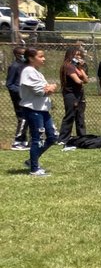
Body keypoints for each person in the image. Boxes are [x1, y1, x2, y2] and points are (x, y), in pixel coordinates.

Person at [18, 47, 58, 176]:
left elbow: (45, 90)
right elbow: (42, 91)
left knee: (52, 137)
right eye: (40, 56)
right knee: (38, 138)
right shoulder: (28, 71)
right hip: (33, 110)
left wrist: (48, 88)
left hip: (43, 110)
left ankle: (31, 160)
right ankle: (34, 169)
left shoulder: (36, 72)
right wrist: (50, 88)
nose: (44, 59)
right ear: (31, 58)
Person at [58, 46, 89, 140]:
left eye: (79, 55)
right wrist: (82, 79)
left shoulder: (77, 67)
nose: (78, 57)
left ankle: (82, 136)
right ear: (70, 55)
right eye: (76, 55)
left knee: (80, 115)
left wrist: (81, 68)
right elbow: (78, 81)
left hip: (79, 93)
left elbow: (86, 80)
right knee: (70, 115)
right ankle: (63, 138)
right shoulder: (68, 66)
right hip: (70, 94)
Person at [6, 43, 30, 150]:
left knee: (28, 117)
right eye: (23, 54)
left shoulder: (25, 66)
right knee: (23, 118)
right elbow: (9, 84)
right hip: (18, 96)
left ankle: (24, 140)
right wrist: (19, 92)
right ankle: (17, 141)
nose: (25, 56)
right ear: (17, 55)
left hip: (26, 95)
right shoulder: (14, 66)